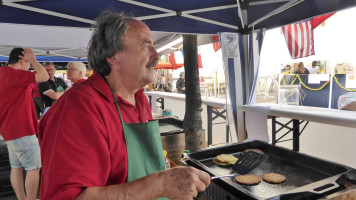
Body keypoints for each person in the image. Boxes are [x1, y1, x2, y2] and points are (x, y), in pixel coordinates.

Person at [38, 11, 210, 200]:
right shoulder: (79, 108)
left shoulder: (140, 99)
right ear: (113, 56)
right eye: (146, 45)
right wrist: (161, 184)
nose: (156, 54)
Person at [0, 48, 49, 200]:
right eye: (28, 63)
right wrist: (34, 60)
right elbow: (44, 75)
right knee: (33, 168)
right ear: (22, 61)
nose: (29, 66)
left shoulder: (3, 73)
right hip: (23, 131)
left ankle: (22, 198)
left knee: (16, 167)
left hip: (9, 131)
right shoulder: (15, 74)